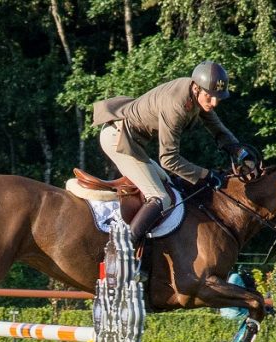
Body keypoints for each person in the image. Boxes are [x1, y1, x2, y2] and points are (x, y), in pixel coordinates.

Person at [92, 61, 246, 245]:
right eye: (210, 97)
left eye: (218, 97)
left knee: (170, 186)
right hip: (118, 139)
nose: (214, 103)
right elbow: (168, 160)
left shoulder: (196, 94)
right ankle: (122, 249)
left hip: (132, 142)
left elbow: (217, 128)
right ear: (196, 88)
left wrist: (238, 150)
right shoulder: (177, 106)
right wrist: (206, 175)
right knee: (160, 198)